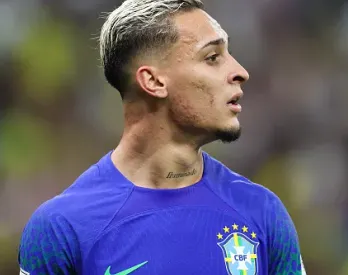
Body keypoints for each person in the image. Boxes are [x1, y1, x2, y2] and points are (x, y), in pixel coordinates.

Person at [18, 0, 306, 274]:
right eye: (212, 57)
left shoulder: (262, 213)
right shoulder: (63, 229)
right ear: (153, 81)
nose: (240, 72)